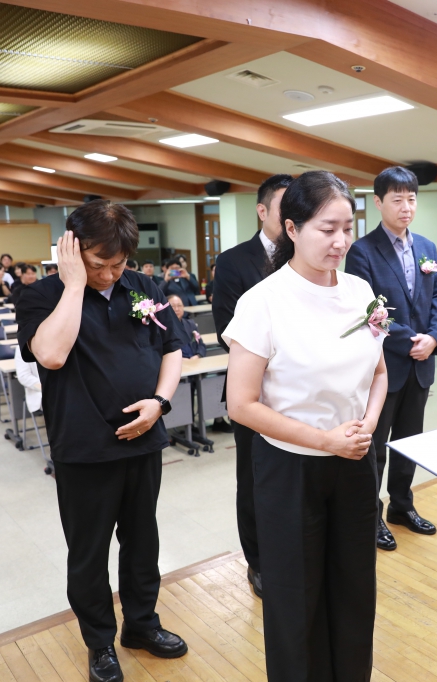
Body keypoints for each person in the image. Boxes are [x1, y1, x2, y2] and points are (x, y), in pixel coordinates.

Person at [223, 170, 388, 681]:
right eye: (327, 229)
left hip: (355, 460)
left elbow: (380, 373)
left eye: (348, 228)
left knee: (355, 590)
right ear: (291, 228)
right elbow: (241, 405)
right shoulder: (263, 301)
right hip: (290, 468)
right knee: (296, 601)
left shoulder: (362, 291)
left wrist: (366, 427)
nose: (341, 241)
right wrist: (325, 440)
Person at [16, 200, 190, 682]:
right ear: (70, 250)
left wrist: (160, 401)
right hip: (85, 447)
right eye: (98, 264)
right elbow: (50, 355)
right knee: (89, 552)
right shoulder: (42, 295)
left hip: (145, 437)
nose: (111, 275)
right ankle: (99, 642)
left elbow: (172, 349)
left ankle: (142, 625)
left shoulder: (144, 287)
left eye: (119, 264)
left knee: (142, 542)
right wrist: (75, 283)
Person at [345, 165, 437, 551]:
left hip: (422, 364)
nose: (407, 207)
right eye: (398, 200)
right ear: (378, 202)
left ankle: (402, 506)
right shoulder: (361, 251)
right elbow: (368, 308)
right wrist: (409, 341)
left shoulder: (427, 247)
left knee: (410, 442)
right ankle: (370, 514)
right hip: (385, 367)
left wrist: (434, 338)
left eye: (412, 199)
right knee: (377, 445)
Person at [213, 173, 292, 597]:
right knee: (255, 478)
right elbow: (229, 328)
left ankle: (291, 551)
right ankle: (258, 561)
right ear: (262, 212)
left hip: (299, 392)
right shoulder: (232, 261)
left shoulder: (306, 255)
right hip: (255, 390)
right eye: (284, 208)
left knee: (293, 475)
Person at [167, 294, 206, 359]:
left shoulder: (190, 324)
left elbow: (201, 345)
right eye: (172, 306)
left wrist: (197, 356)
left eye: (179, 306)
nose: (176, 309)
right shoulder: (163, 329)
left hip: (194, 362)